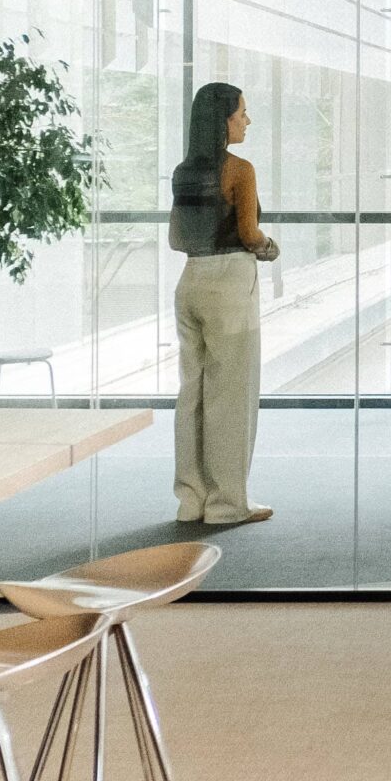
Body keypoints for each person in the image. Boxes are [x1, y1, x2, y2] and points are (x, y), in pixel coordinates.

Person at [167, 82, 281, 528]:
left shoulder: (183, 172)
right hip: (229, 284)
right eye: (241, 114)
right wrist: (269, 248)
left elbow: (176, 237)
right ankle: (227, 504)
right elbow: (250, 234)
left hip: (190, 281)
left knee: (192, 394)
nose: (247, 121)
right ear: (223, 121)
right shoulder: (240, 170)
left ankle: (191, 500)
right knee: (231, 395)